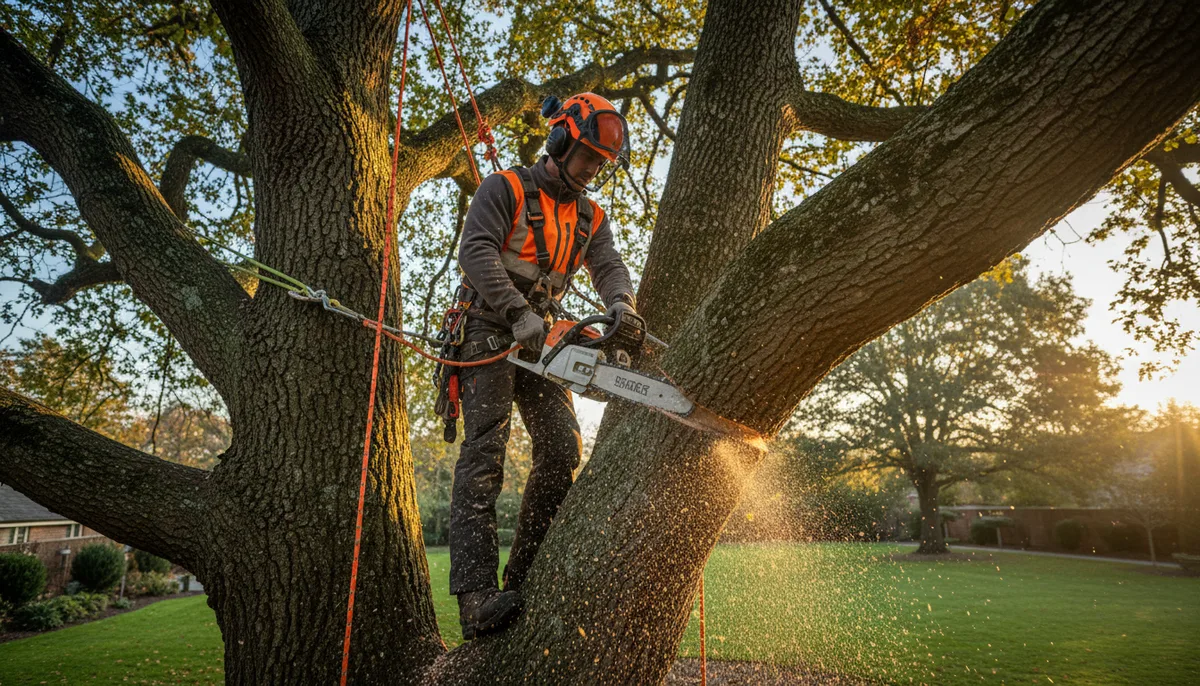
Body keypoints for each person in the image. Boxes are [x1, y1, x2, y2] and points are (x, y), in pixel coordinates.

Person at [449, 93, 638, 639]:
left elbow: (609, 265)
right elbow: (477, 251)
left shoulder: (590, 215)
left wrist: (622, 304)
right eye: (588, 157)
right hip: (489, 323)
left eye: (602, 163)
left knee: (562, 447)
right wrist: (513, 311)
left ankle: (524, 574)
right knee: (485, 447)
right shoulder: (503, 188)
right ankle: (477, 594)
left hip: (543, 333)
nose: (593, 169)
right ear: (559, 141)